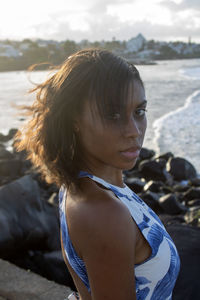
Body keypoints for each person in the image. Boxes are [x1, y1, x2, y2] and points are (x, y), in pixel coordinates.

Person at [14, 49, 180, 300]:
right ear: (74, 120)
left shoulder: (80, 185)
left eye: (139, 111)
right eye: (112, 115)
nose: (134, 131)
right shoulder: (104, 213)